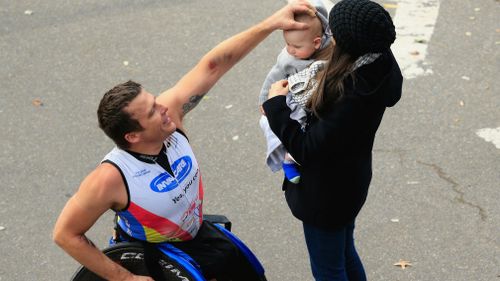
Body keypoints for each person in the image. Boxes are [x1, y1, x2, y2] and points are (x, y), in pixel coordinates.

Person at [52, 2, 316, 281]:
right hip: (154, 259)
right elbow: (65, 234)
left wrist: (270, 23)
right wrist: (124, 278)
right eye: (152, 111)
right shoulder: (110, 179)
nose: (164, 107)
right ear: (132, 136)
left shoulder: (170, 117)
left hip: (198, 238)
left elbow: (213, 65)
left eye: (154, 100)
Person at [262, 0, 403, 280]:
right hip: (352, 182)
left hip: (326, 195)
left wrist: (276, 105)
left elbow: (307, 148)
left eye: (335, 33)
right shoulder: (380, 58)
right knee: (344, 253)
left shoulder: (351, 94)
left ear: (348, 44)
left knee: (329, 270)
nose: (330, 36)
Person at [258, 0, 333, 184]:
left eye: (296, 47)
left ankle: (297, 155)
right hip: (294, 99)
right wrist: (264, 101)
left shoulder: (330, 49)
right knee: (284, 126)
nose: (290, 50)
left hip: (316, 102)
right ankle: (288, 158)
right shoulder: (287, 58)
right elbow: (272, 78)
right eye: (287, 44)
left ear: (317, 42)